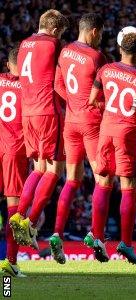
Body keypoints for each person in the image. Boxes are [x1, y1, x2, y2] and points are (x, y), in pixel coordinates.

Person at [85, 26, 136, 265]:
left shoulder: (105, 70)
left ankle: (97, 237)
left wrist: (109, 111)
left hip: (106, 130)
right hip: (128, 133)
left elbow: (93, 100)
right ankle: (125, 243)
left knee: (103, 181)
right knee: (128, 186)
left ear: (119, 48)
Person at [49, 13, 107, 265]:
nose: (101, 38)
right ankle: (96, 236)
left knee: (71, 180)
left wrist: (73, 103)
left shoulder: (64, 51)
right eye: (102, 34)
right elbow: (104, 95)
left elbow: (57, 85)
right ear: (94, 31)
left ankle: (56, 233)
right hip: (92, 123)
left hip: (70, 122)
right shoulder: (97, 57)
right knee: (102, 179)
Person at [10, 9, 69, 250]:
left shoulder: (24, 44)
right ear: (56, 30)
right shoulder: (54, 44)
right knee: (55, 171)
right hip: (48, 111)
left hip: (28, 113)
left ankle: (18, 215)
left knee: (39, 167)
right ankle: (31, 222)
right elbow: (61, 77)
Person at [0, 49, 28, 277]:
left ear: (8, 65)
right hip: (15, 151)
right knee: (14, 210)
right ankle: (10, 262)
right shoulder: (30, 88)